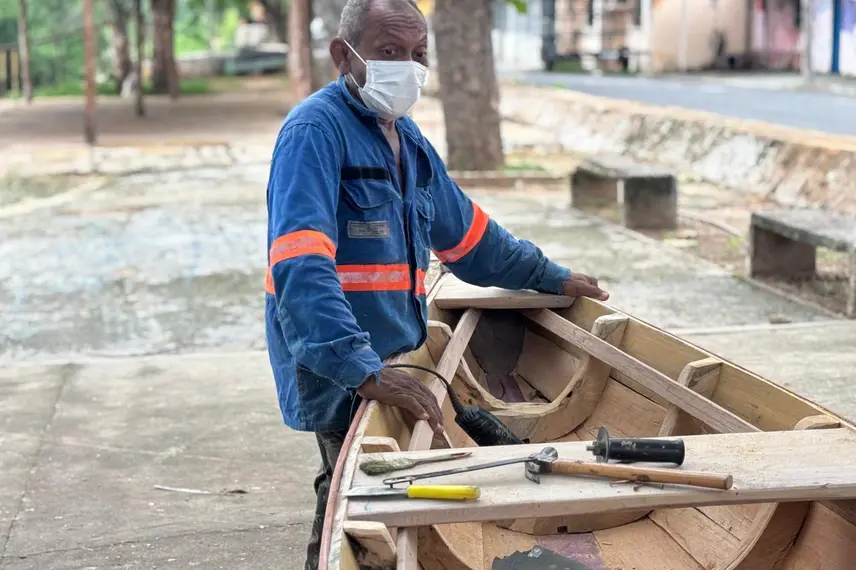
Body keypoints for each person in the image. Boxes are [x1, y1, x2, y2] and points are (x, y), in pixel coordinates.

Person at [263, 1, 609, 568]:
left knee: (376, 484)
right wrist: (363, 370)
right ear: (343, 55)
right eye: (389, 52)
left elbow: (470, 238)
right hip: (337, 358)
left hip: (396, 351)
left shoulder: (408, 139)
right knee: (349, 492)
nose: (408, 66)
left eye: (417, 54)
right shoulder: (313, 133)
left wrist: (549, 275)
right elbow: (301, 267)